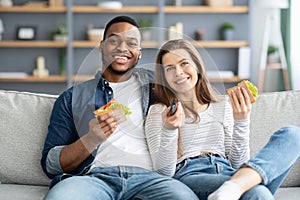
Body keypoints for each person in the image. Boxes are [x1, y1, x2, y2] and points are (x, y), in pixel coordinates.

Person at [41, 16, 199, 200]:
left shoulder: (158, 85)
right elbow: (51, 164)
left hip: (151, 179)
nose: (122, 48)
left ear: (139, 52)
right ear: (101, 46)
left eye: (131, 43)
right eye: (114, 41)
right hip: (93, 179)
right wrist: (92, 139)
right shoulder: (72, 97)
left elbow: (193, 88)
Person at [145, 39, 300, 200]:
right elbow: (163, 173)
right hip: (191, 175)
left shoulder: (223, 105)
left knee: (293, 134)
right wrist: (169, 130)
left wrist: (242, 121)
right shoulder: (159, 112)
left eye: (184, 63)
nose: (178, 72)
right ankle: (238, 186)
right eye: (170, 68)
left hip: (230, 172)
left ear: (197, 67)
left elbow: (238, 165)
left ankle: (236, 186)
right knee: (257, 191)